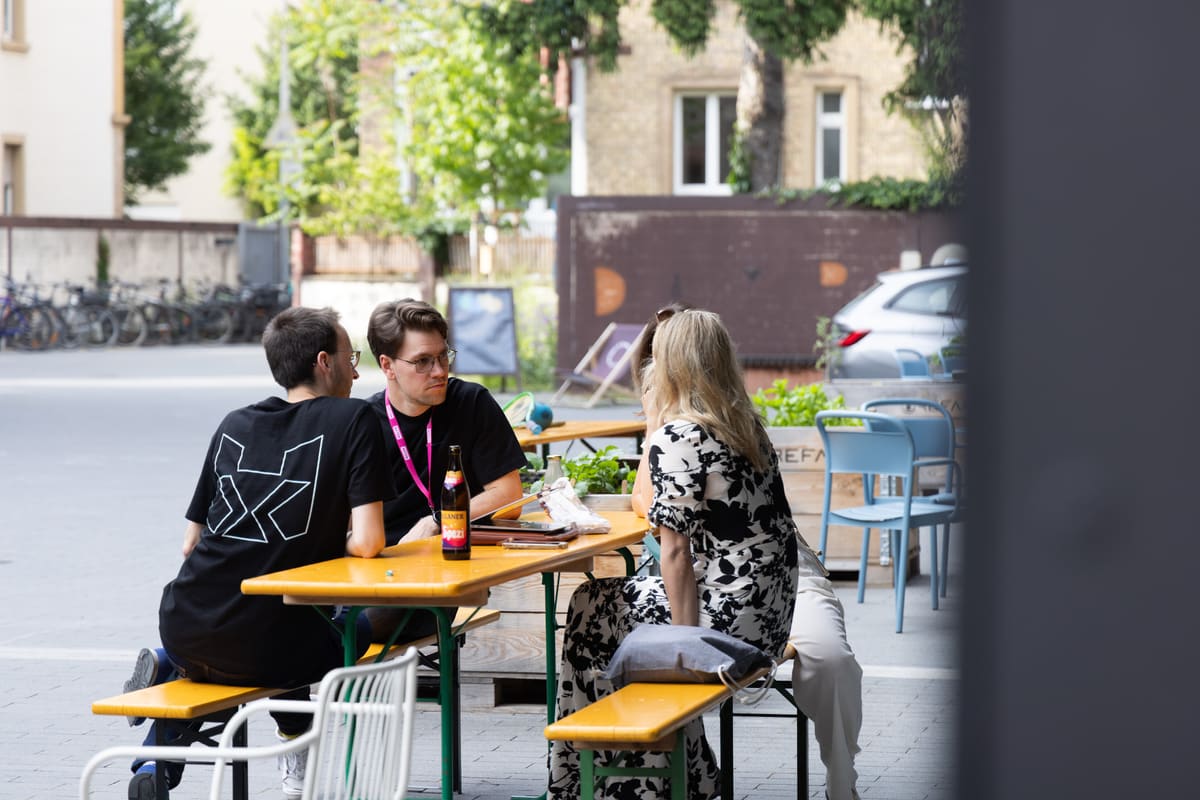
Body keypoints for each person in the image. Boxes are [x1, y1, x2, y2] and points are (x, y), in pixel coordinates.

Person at [120, 307, 395, 800]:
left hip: (185, 623)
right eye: (351, 358)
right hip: (276, 644)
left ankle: (162, 718)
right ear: (324, 362)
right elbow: (371, 542)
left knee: (254, 639)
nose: (357, 373)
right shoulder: (355, 418)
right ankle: (291, 745)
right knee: (358, 627)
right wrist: (328, 542)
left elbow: (190, 543)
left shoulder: (236, 422)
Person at [549, 308, 801, 799]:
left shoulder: (681, 435)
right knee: (608, 610)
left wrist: (683, 645)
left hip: (727, 625)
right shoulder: (746, 426)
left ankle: (591, 779)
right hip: (769, 619)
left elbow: (676, 554)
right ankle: (675, 773)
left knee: (589, 607)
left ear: (668, 365)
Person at [631, 303, 864, 800]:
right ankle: (686, 769)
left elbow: (669, 539)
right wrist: (654, 426)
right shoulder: (694, 431)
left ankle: (841, 779)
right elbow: (646, 505)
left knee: (830, 659)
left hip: (787, 573)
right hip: (731, 586)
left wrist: (658, 431)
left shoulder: (730, 425)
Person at [365, 298, 527, 545]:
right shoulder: (365, 423)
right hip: (392, 557)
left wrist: (438, 521)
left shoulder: (471, 402)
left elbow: (510, 498)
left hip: (459, 551)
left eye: (443, 356)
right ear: (387, 366)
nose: (440, 371)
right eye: (422, 361)